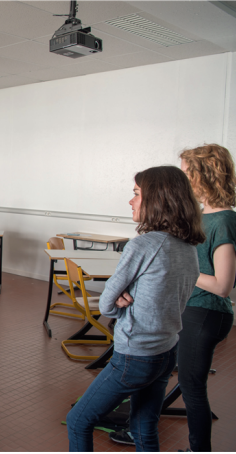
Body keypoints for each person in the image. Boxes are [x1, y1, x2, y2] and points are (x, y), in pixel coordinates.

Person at [66, 166, 205, 453]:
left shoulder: (143, 245)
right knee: (143, 428)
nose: (131, 201)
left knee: (78, 420)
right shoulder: (188, 246)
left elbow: (106, 302)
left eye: (136, 194)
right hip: (166, 352)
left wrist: (118, 304)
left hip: (135, 355)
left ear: (158, 199)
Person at [178, 144, 235, 453]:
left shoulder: (223, 221)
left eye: (186, 172)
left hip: (207, 312)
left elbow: (223, 285)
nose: (183, 178)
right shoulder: (202, 216)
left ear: (204, 175)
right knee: (184, 379)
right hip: (192, 308)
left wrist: (181, 267)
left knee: (192, 386)